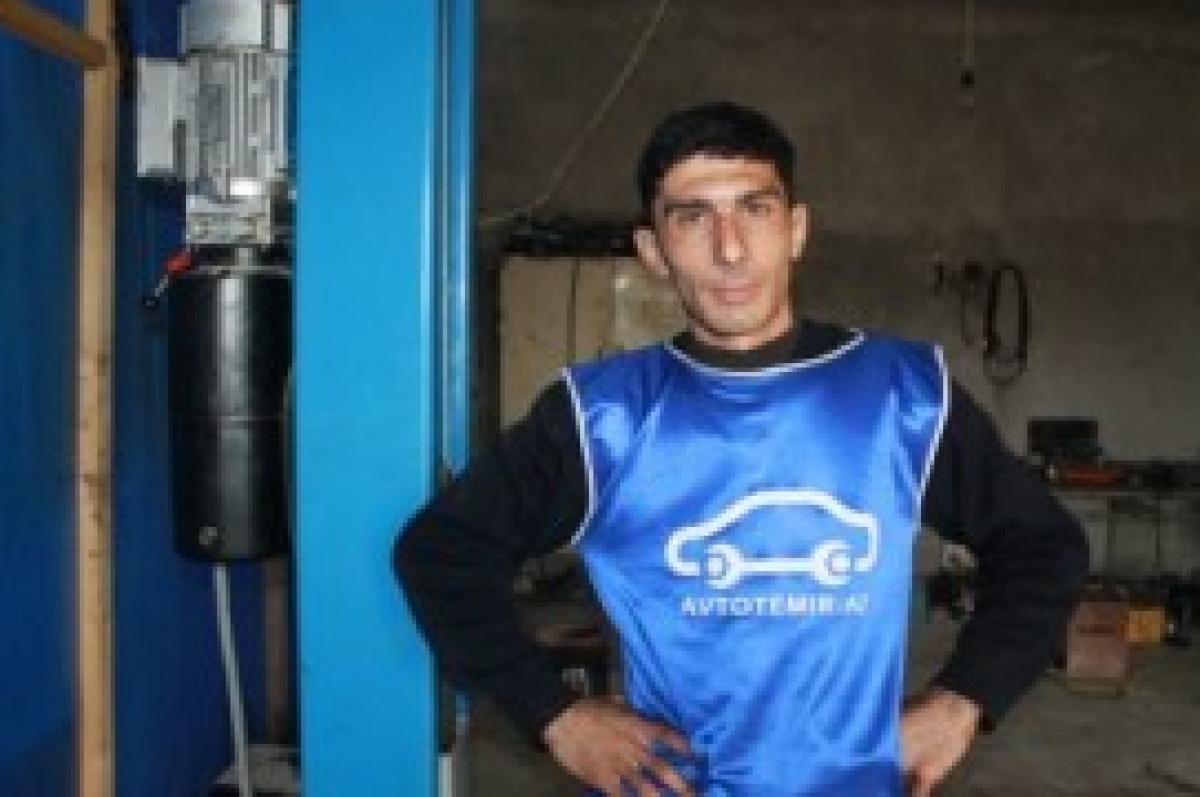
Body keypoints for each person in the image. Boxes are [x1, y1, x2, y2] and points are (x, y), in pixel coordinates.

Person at [395, 101, 1088, 797]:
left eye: (755, 209)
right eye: (692, 217)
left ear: (796, 229)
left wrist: (965, 698)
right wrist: (556, 715)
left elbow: (1042, 544)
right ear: (653, 250)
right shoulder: (601, 416)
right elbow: (442, 551)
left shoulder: (904, 396)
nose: (729, 249)